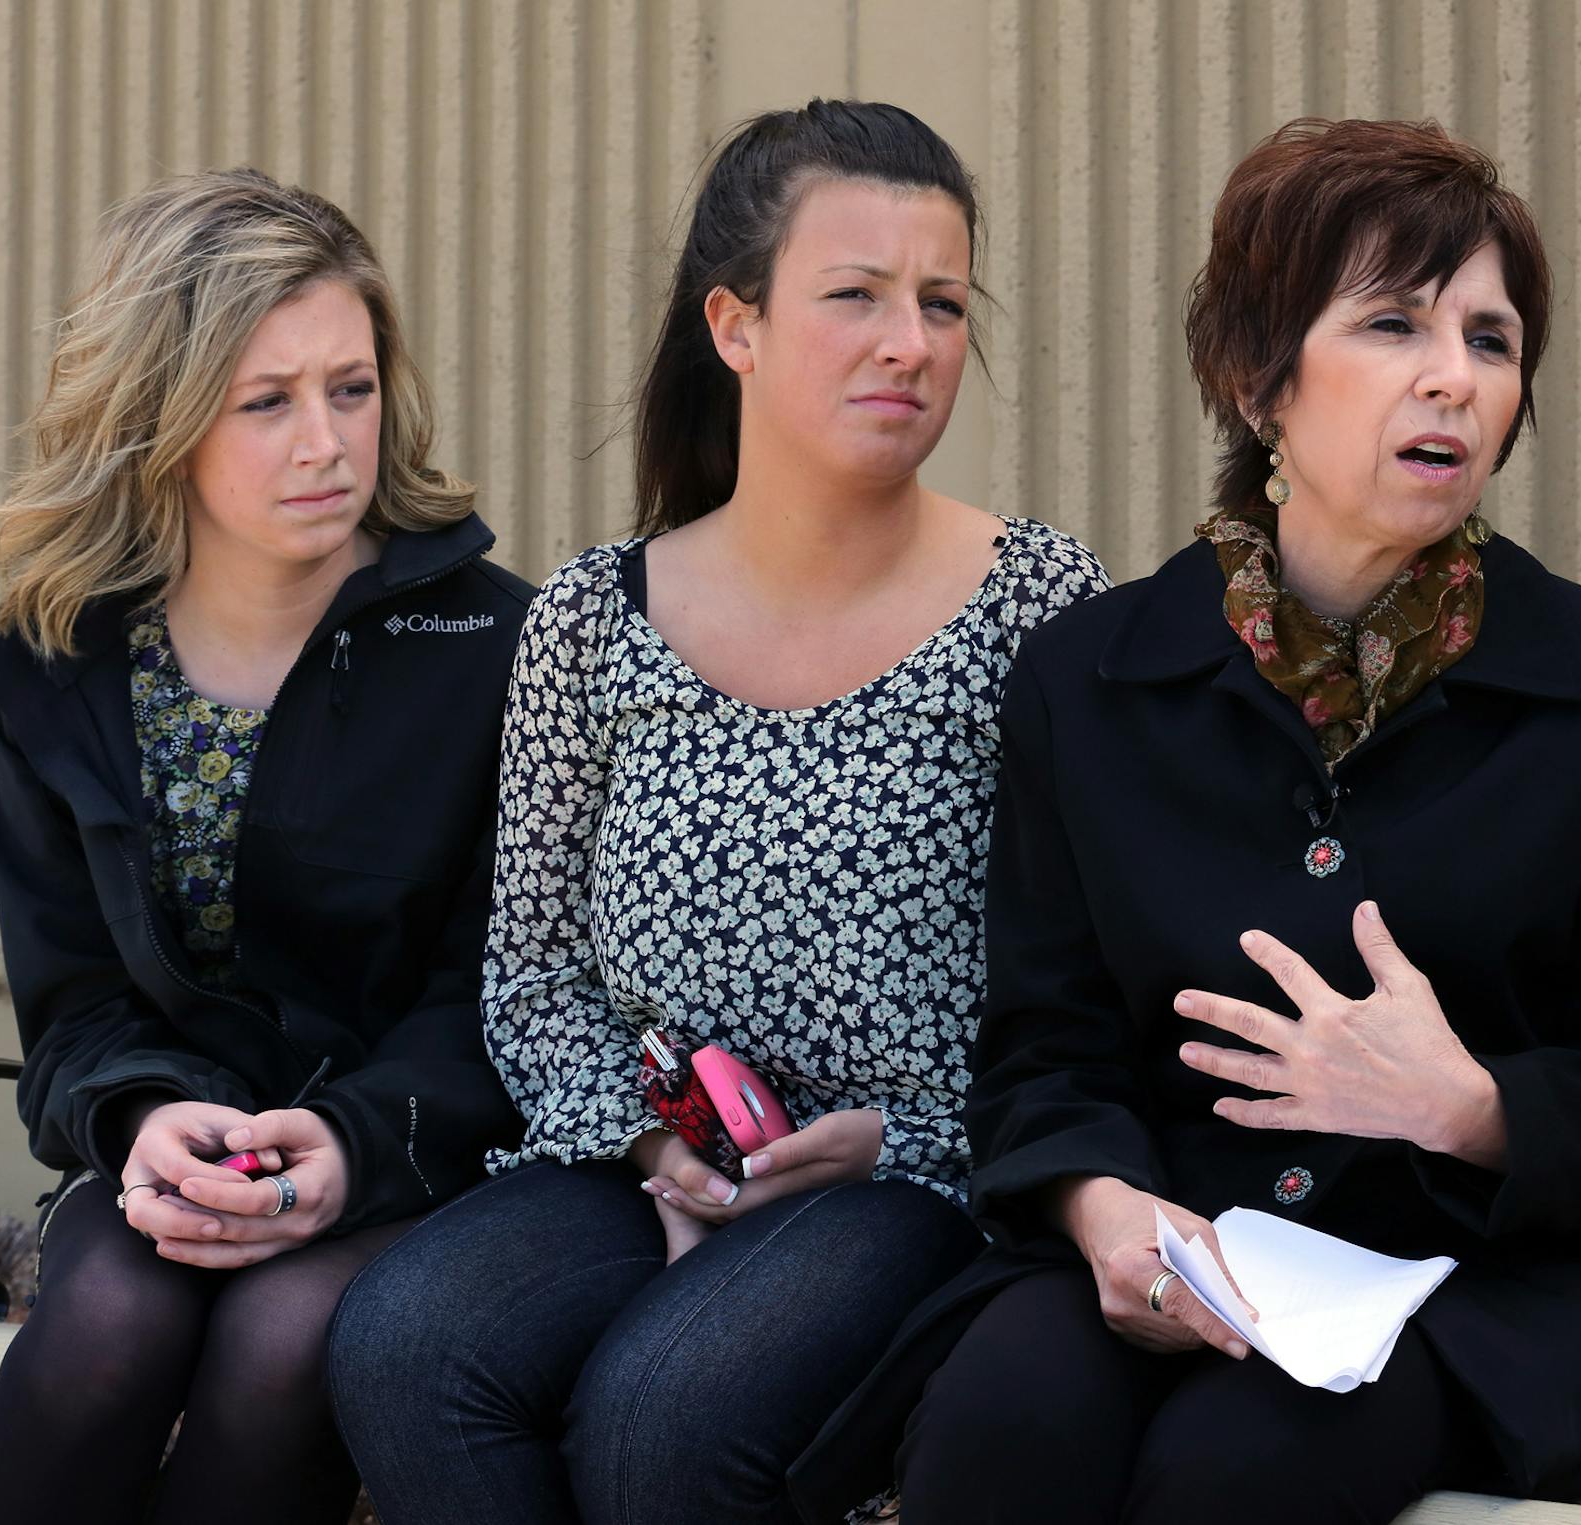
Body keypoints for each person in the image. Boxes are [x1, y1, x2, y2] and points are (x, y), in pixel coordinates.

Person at [794, 118, 1581, 1525]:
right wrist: (1107, 1213)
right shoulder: (1091, 679)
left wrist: (1469, 1105)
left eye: (1490, 338)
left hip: (1467, 1288)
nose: (1454, 378)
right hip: (1176, 1240)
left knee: (1233, 1473)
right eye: (1394, 323)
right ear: (1260, 380)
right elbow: (1046, 1045)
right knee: (1000, 1427)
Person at [327, 99, 1109, 1524]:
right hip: (643, 1155)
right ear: (734, 325)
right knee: (402, 1346)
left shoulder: (1043, 612)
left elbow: (1087, 978)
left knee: (663, 1411)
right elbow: (536, 961)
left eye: (942, 302)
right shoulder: (591, 618)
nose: (912, 342)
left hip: (919, 1178)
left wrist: (908, 1136)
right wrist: (647, 1144)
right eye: (856, 296)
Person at [0, 168, 531, 1523]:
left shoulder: (494, 648)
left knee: (282, 1343)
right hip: (188, 1148)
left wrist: (343, 1140)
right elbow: (76, 1004)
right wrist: (148, 1118)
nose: (326, 443)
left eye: (352, 386)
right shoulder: (67, 668)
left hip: (413, 1156)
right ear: (159, 423)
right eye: (265, 402)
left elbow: (508, 993)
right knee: (108, 1317)